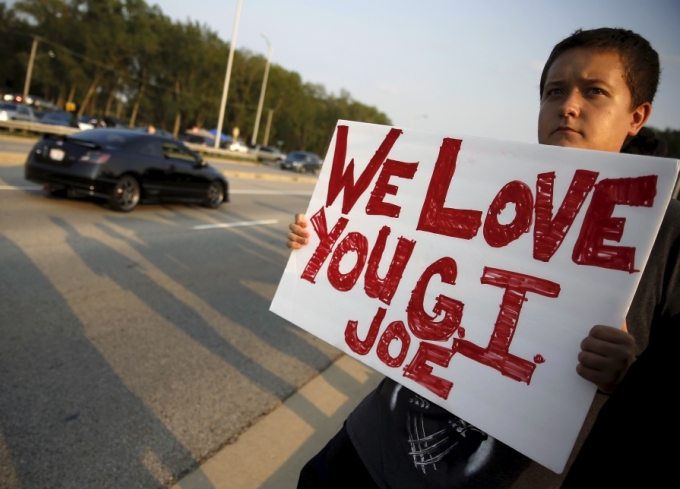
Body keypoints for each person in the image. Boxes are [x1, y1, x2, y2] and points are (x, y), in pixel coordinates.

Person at [286, 28, 679, 488]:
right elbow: (399, 269)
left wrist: (624, 378)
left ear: (637, 115)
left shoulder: (665, 234)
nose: (569, 106)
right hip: (368, 449)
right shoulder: (489, 185)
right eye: (554, 91)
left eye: (595, 91)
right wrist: (326, 242)